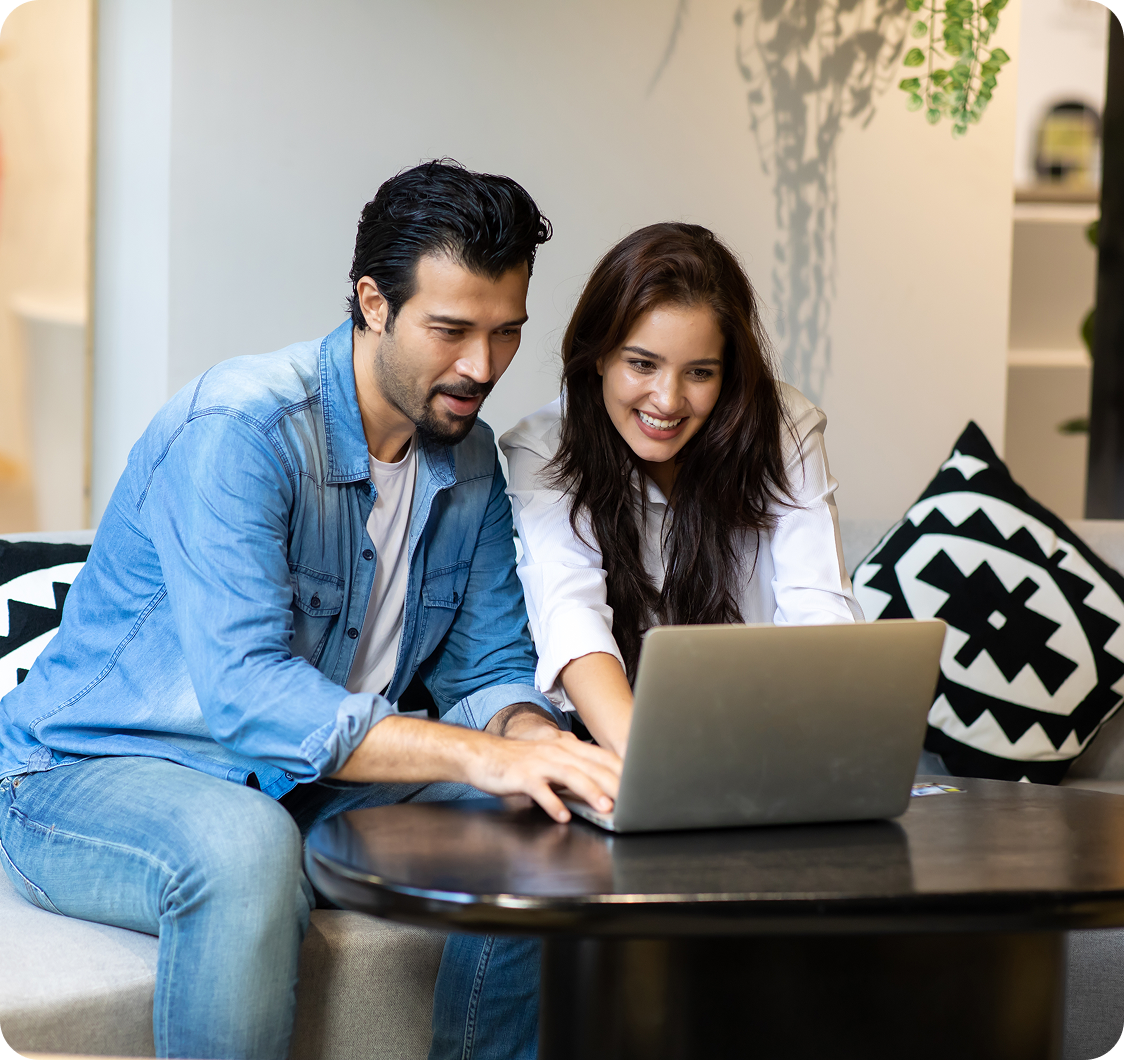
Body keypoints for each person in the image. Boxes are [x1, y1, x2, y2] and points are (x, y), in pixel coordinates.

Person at [0, 161, 620, 1060]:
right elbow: (251, 698)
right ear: (373, 302)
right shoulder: (241, 430)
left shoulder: (473, 460)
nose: (481, 366)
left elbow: (485, 669)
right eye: (450, 330)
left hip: (306, 782)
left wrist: (532, 740)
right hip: (88, 772)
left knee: (544, 821)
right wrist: (480, 753)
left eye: (505, 333)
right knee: (245, 848)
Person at [499, 222, 864, 757]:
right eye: (642, 364)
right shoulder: (545, 447)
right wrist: (655, 769)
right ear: (599, 354)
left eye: (699, 372)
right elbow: (571, 617)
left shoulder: (783, 427)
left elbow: (820, 608)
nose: (667, 401)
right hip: (620, 749)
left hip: (767, 744)